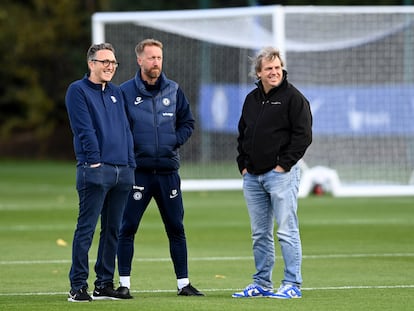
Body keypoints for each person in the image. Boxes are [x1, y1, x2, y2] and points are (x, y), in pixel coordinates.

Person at [116, 38, 204, 297]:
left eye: (159, 58)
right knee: (127, 227)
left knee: (176, 228)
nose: (156, 62)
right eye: (151, 57)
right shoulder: (124, 92)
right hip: (138, 173)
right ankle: (124, 285)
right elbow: (118, 128)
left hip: (167, 173)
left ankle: (183, 284)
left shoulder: (174, 90)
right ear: (139, 60)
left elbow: (188, 121)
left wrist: (173, 141)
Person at [233, 47, 312, 299]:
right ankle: (262, 283)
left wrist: (283, 165)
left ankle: (292, 284)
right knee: (260, 234)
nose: (274, 72)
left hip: (281, 176)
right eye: (268, 68)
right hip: (252, 177)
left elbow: (303, 136)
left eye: (277, 67)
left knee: (286, 231)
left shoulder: (293, 98)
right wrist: (243, 165)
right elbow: (242, 134)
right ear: (259, 73)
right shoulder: (251, 99)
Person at [65, 43, 136, 302]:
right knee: (86, 229)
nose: (110, 67)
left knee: (113, 230)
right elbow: (84, 130)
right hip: (94, 170)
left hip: (122, 171)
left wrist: (130, 164)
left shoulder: (117, 92)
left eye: (113, 62)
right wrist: (94, 162)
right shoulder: (78, 90)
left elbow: (127, 130)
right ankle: (78, 286)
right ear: (91, 63)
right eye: (104, 61)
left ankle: (104, 284)